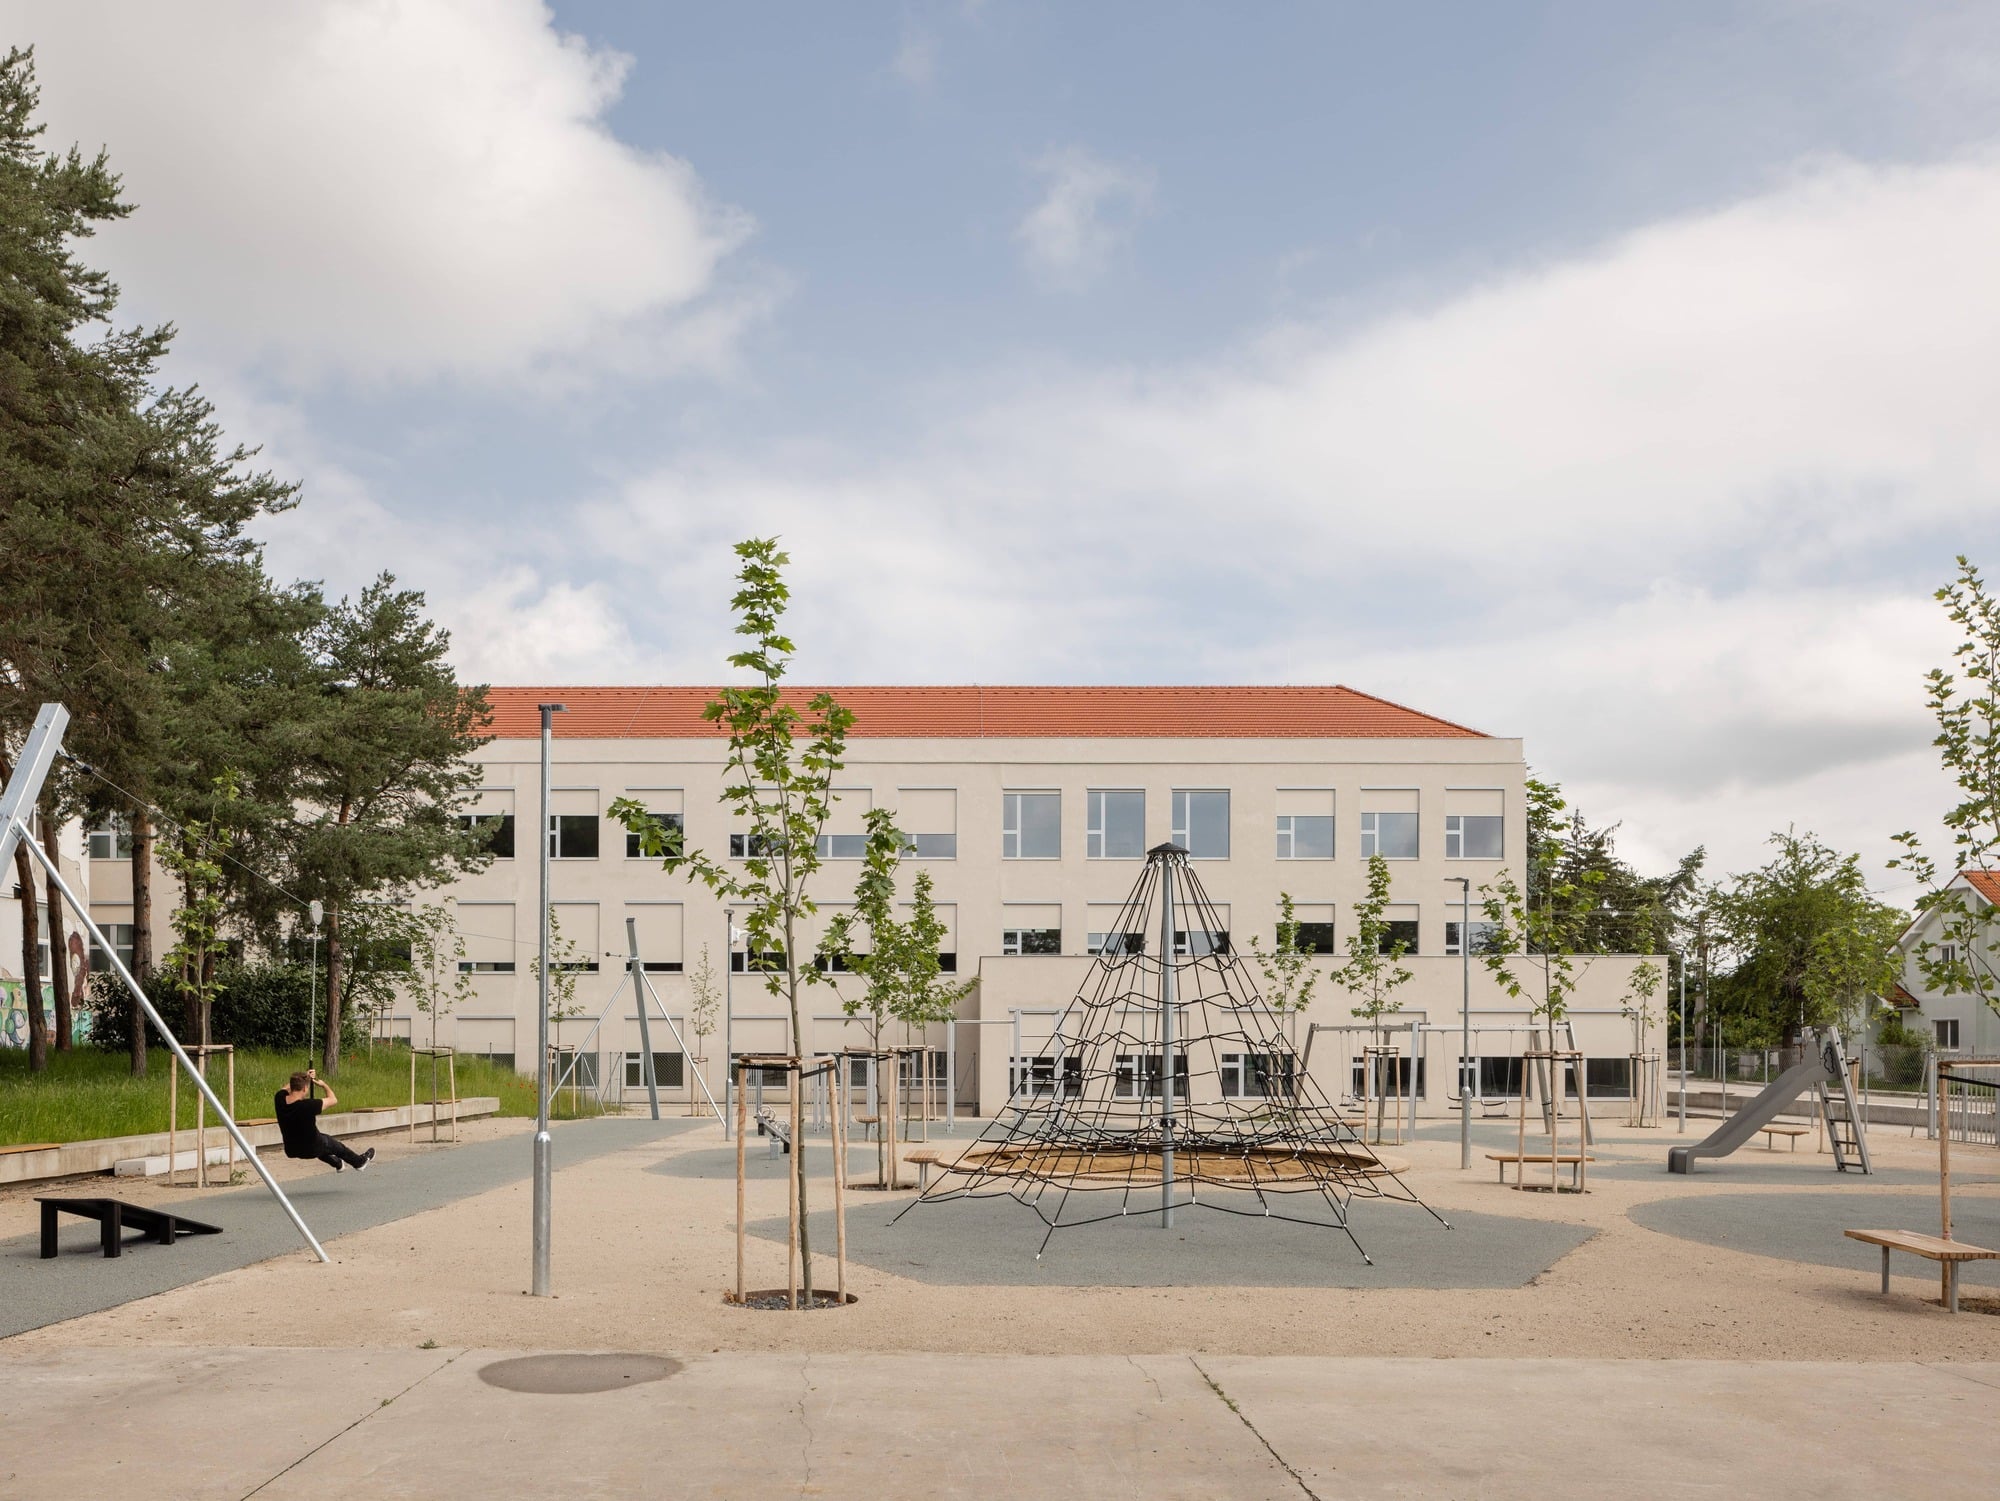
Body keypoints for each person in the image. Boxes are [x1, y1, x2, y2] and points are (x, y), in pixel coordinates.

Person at [274, 1069, 374, 1173]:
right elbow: (333, 1099)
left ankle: (337, 1164)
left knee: (320, 1140)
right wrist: (323, 1085)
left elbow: (286, 1088)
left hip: (291, 1150)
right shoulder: (309, 1105)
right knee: (333, 1145)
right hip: (312, 1149)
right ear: (304, 1088)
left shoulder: (279, 1099)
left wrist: (306, 1077)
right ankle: (359, 1162)